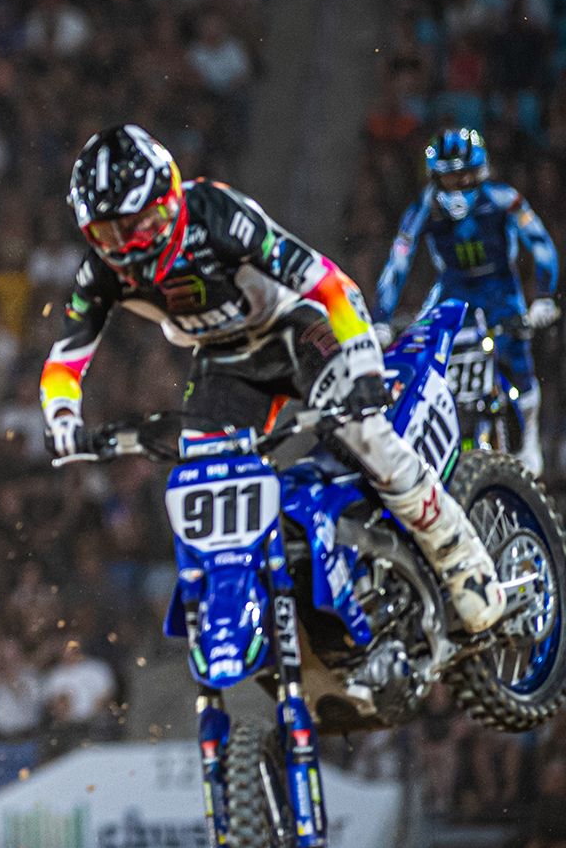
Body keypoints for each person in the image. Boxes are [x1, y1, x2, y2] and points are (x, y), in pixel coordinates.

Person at [40, 124, 504, 633]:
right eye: (108, 234)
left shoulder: (214, 214)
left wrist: (364, 366)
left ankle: (459, 554)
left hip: (293, 330)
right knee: (204, 478)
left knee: (365, 433)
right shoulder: (100, 272)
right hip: (223, 361)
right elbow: (66, 358)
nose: (127, 246)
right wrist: (62, 419)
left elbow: (328, 282)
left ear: (168, 198)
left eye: (138, 225)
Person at [373, 128, 559, 476]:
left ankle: (529, 436)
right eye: (448, 178)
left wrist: (544, 299)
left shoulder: (504, 199)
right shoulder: (424, 207)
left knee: (518, 354)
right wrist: (382, 318)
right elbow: (398, 261)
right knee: (422, 354)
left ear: (480, 171)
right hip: (452, 289)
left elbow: (540, 244)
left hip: (500, 288)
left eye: (464, 176)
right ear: (434, 177)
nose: (457, 186)